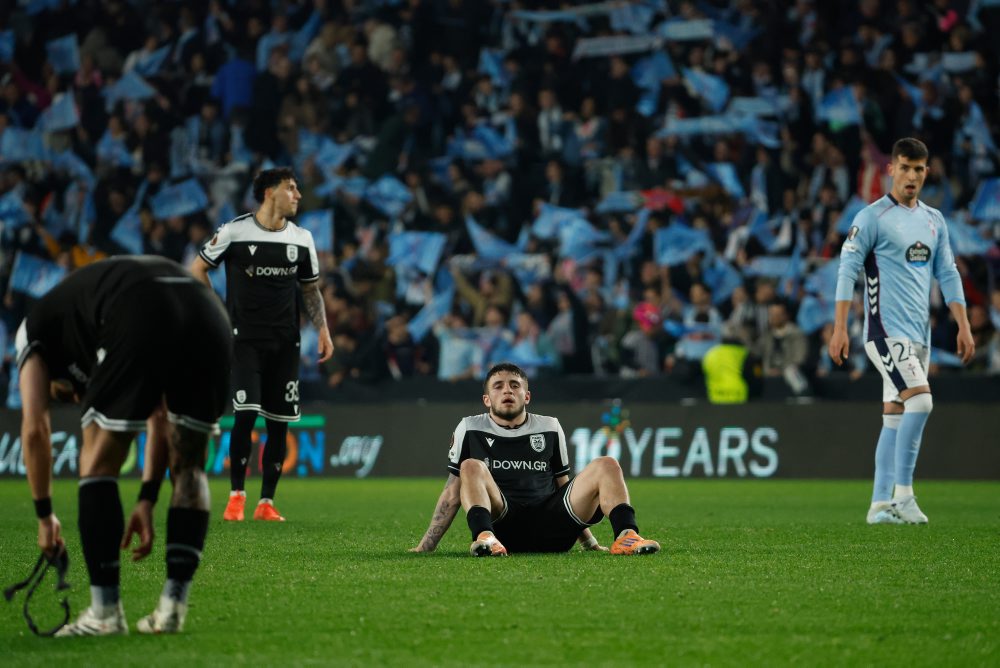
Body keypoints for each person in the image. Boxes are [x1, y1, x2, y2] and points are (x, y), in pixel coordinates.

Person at [16, 255, 232, 635]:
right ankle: (172, 609)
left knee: (96, 461)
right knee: (190, 466)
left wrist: (45, 516)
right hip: (209, 311)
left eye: (63, 394)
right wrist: (147, 498)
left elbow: (35, 429)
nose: (73, 399)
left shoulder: (32, 330)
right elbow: (159, 416)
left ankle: (105, 614)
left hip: (141, 304)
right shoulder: (87, 319)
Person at [829, 137, 974, 526]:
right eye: (905, 168)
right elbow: (847, 270)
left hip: (917, 337)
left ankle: (879, 505)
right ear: (891, 169)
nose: (911, 176)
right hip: (885, 333)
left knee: (894, 416)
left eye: (919, 169)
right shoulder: (871, 217)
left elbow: (948, 273)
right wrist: (840, 327)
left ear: (927, 172)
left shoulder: (934, 220)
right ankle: (904, 496)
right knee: (921, 402)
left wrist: (963, 324)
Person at [191, 167, 333, 522]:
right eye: (291, 188)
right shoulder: (235, 231)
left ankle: (266, 502)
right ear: (270, 192)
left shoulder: (302, 238)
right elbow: (197, 269)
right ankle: (236, 497)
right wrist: (218, 316)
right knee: (246, 415)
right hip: (244, 341)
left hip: (286, 342)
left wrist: (324, 330)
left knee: (279, 423)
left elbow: (310, 290)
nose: (298, 195)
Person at [410, 362, 660, 556]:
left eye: (514, 385)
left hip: (554, 529)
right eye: (498, 386)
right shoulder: (470, 427)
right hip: (503, 528)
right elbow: (452, 493)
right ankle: (484, 538)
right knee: (470, 466)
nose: (507, 390)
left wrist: (589, 542)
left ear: (526, 396)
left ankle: (626, 536)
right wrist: (426, 546)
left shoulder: (549, 426)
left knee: (607, 464)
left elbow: (564, 487)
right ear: (487, 399)